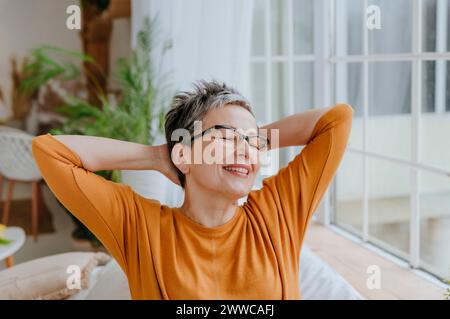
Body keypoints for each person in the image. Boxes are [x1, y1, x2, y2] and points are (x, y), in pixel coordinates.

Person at [31, 80, 353, 299]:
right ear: (183, 154)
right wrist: (159, 156)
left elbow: (337, 121)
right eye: (225, 137)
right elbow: (51, 153)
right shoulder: (141, 226)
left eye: (254, 143)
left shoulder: (276, 212)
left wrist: (248, 139)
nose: (246, 151)